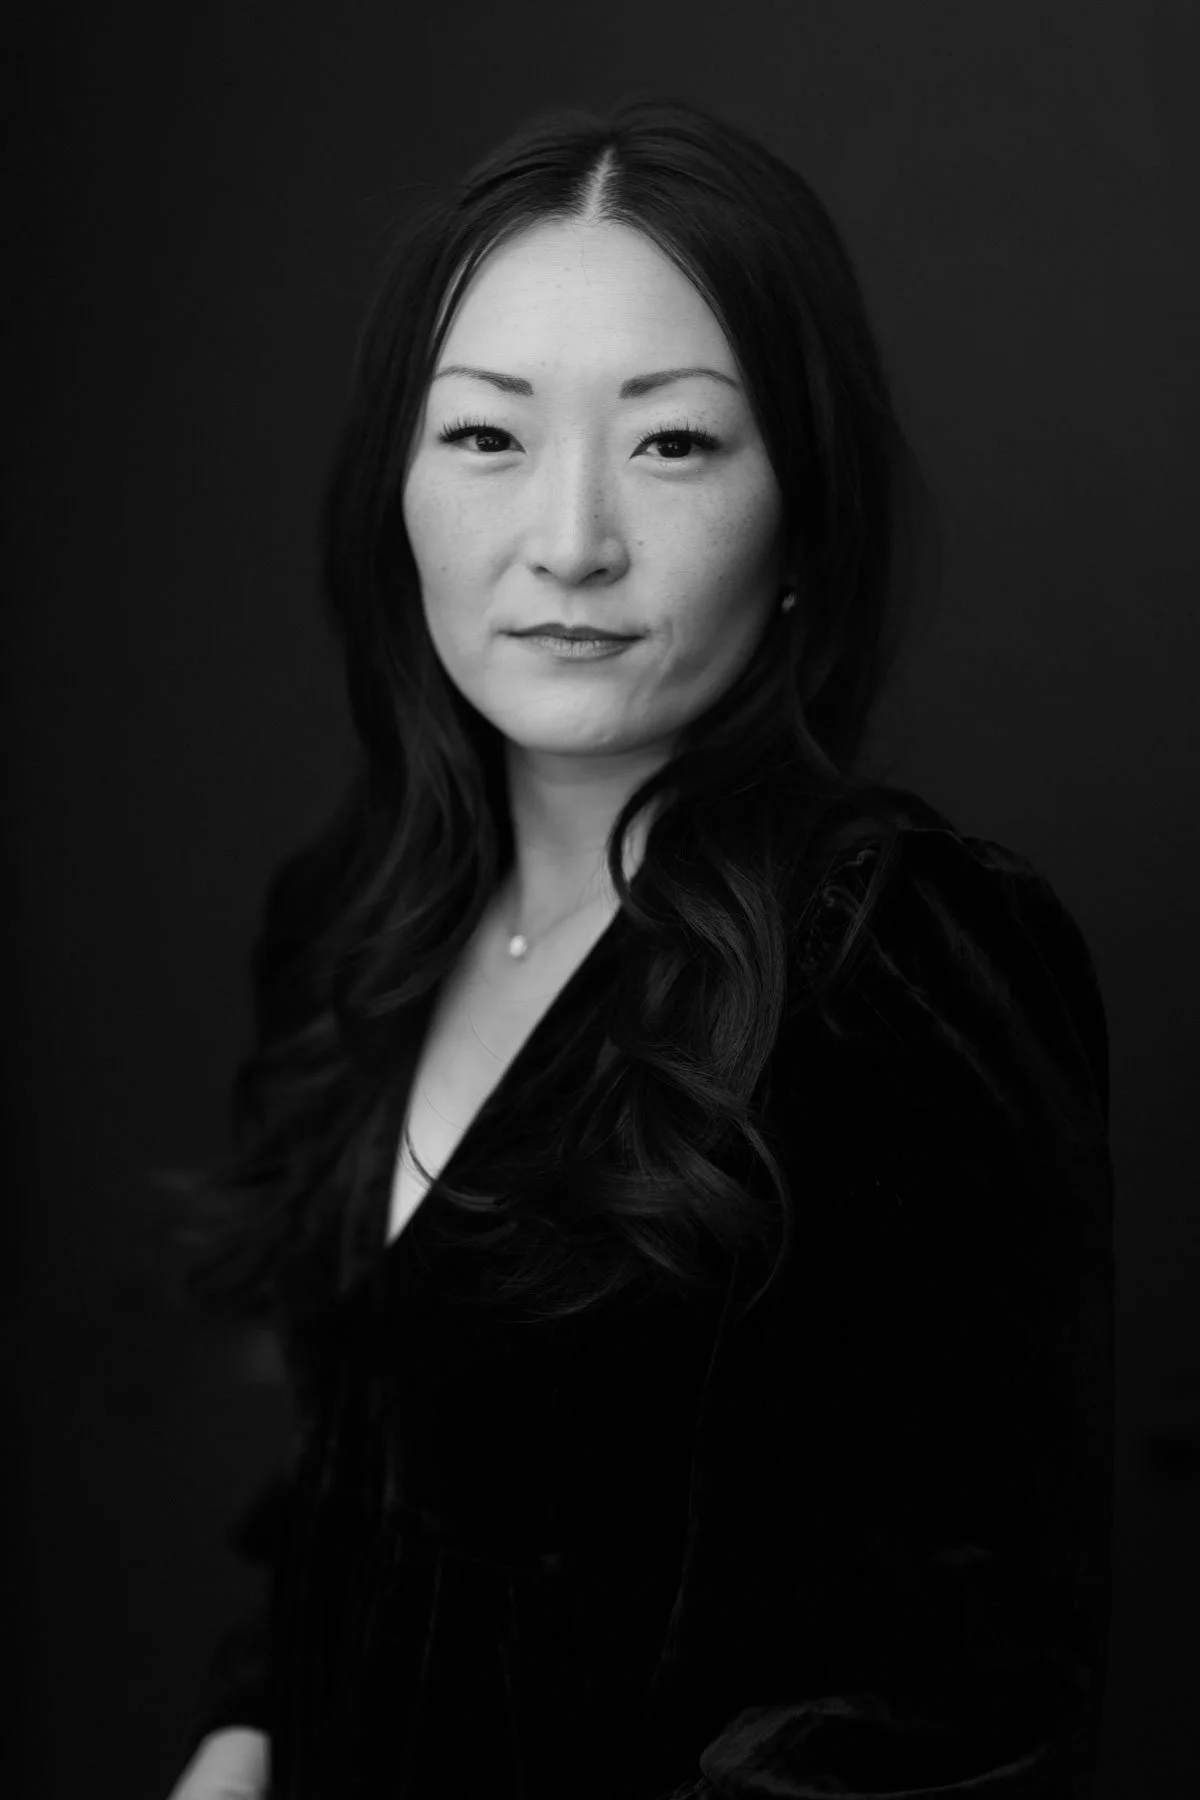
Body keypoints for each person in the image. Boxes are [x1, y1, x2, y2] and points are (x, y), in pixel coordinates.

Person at [162, 94, 1113, 1800]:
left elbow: (938, 1716)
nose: (572, 539)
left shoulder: (889, 957)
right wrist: (244, 1738)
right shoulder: (353, 924)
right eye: (486, 434)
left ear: (803, 510)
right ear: (397, 489)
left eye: (673, 443)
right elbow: (363, 1478)